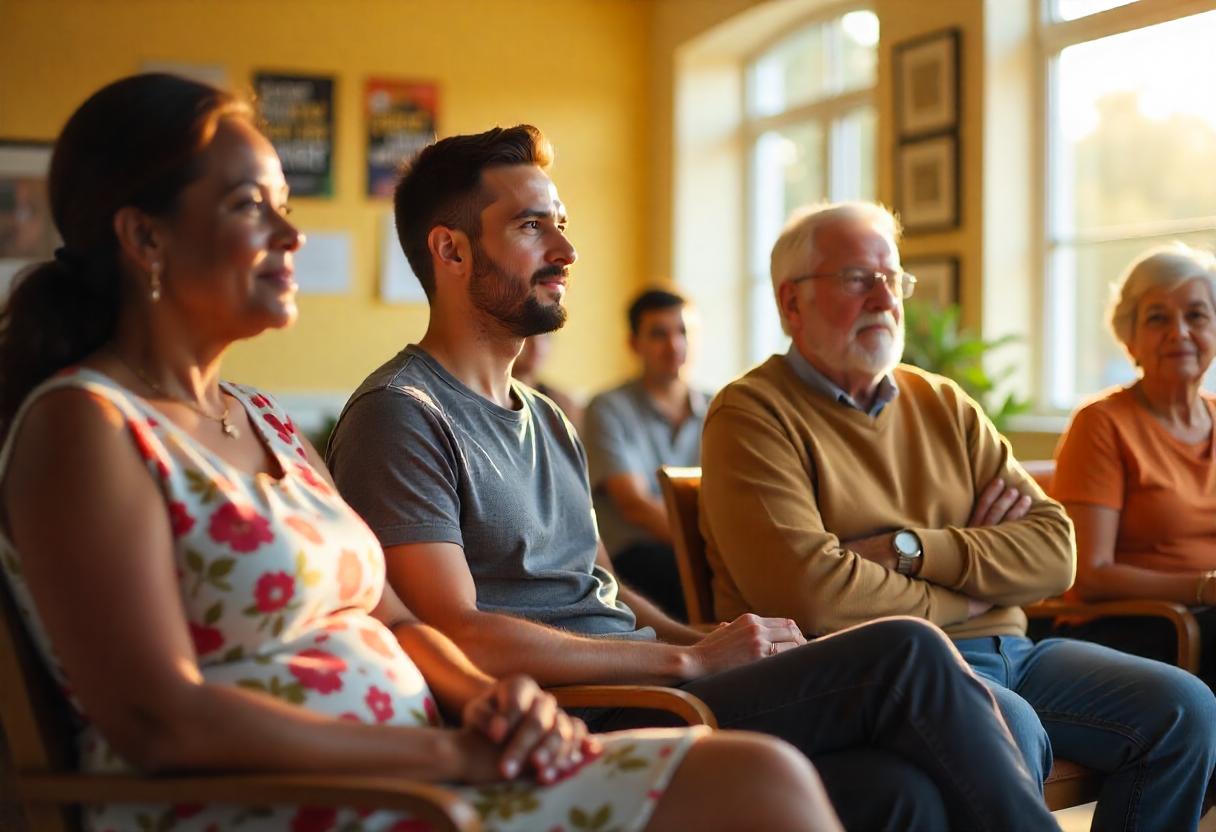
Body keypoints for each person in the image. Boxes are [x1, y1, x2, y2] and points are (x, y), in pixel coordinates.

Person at [0, 74, 843, 832]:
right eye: (251, 206)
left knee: (765, 776)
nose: (291, 235)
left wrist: (494, 706)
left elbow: (401, 623)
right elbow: (159, 721)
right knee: (768, 777)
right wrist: (447, 755)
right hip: (276, 799)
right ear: (145, 239)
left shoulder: (260, 418)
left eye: (286, 204)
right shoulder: (85, 427)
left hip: (417, 774)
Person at [327, 123, 1064, 832]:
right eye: (531, 227)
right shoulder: (401, 414)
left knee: (902, 795)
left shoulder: (547, 418)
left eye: (562, 224)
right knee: (906, 652)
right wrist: (687, 659)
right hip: (578, 716)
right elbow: (454, 632)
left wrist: (717, 639)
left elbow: (602, 590)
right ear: (451, 251)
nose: (567, 250)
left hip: (646, 685)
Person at [699, 200, 1216, 832]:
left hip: (1014, 650)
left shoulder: (941, 400)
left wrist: (911, 550)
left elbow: (1057, 551)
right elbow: (814, 595)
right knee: (1008, 726)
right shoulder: (751, 415)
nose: (884, 299)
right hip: (878, 674)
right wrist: (972, 593)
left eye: (893, 279)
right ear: (792, 302)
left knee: (1185, 709)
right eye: (857, 279)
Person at [1052, 243, 1216, 688]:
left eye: (1196, 315)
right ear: (1130, 340)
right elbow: (1090, 575)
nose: (1180, 332)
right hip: (1130, 625)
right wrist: (1204, 587)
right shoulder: (1101, 423)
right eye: (1158, 318)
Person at [583, 288, 708, 618]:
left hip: (704, 551)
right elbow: (635, 505)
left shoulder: (719, 408)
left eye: (683, 332)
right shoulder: (608, 408)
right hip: (634, 558)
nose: (674, 345)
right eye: (659, 334)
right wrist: (710, 550)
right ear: (633, 343)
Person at [510, 332, 584, 431]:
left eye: (544, 337)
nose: (537, 346)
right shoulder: (496, 400)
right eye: (527, 337)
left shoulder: (564, 404)